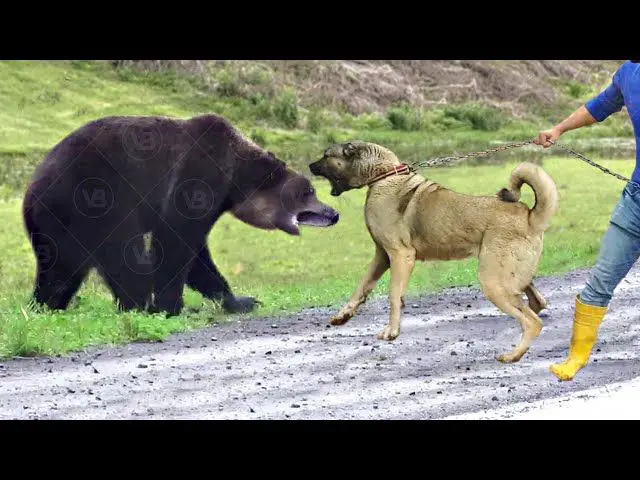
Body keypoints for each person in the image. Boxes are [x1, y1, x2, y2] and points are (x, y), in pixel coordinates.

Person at [534, 60, 640, 381]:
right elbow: (600, 106)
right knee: (601, 280)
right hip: (636, 200)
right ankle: (576, 358)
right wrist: (559, 129)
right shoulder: (628, 73)